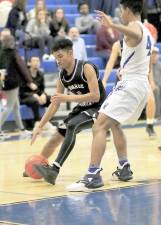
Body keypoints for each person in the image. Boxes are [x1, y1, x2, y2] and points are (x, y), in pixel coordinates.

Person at [67, 0, 153, 191]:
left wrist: (112, 24)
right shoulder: (148, 30)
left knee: (99, 126)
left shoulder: (135, 27)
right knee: (113, 124)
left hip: (131, 86)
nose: (120, 13)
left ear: (127, 10)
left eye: (121, 10)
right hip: (138, 84)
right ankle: (124, 167)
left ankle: (92, 175)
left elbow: (134, 34)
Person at [29, 38, 106, 184]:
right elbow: (55, 104)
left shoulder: (86, 67)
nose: (57, 61)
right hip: (82, 108)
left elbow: (96, 96)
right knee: (56, 136)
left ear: (70, 53)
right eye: (55, 58)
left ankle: (54, 170)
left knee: (72, 125)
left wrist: (67, 97)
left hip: (99, 108)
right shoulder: (62, 76)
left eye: (60, 56)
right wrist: (39, 126)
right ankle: (36, 166)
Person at [102, 40, 157, 137]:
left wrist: (151, 80)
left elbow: (148, 64)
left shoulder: (141, 43)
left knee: (151, 99)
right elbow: (110, 63)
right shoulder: (118, 45)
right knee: (113, 105)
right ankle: (106, 127)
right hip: (123, 78)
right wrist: (104, 80)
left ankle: (150, 125)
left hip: (140, 77)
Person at [0, 35, 36, 137]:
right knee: (9, 107)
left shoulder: (1, 52)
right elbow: (22, 67)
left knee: (15, 107)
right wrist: (29, 82)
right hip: (12, 83)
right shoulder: (13, 53)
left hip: (3, 82)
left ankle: (21, 129)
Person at [19, 56, 53, 129]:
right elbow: (21, 92)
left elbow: (41, 89)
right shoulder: (24, 75)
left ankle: (47, 121)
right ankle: (37, 122)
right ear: (29, 63)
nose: (36, 63)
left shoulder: (40, 74)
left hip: (37, 96)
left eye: (38, 61)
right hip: (24, 97)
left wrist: (43, 95)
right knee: (35, 101)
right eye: (34, 61)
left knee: (51, 99)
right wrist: (34, 95)